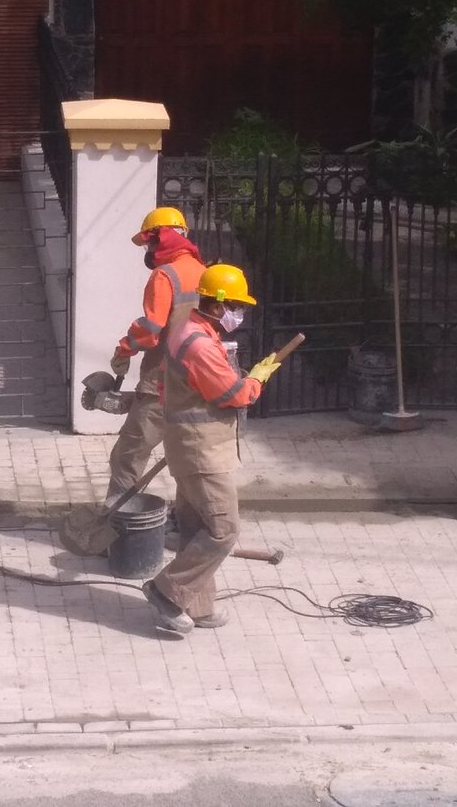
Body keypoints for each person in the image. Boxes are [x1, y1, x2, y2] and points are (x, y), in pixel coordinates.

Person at [141, 264, 283, 635]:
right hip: (203, 453)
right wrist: (256, 378)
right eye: (236, 306)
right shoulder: (201, 345)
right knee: (223, 529)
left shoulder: (185, 327)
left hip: (186, 445)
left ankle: (198, 605)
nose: (240, 314)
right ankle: (166, 591)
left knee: (195, 527)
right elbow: (233, 396)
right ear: (218, 305)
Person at [60, 206, 206, 556]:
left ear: (161, 238)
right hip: (197, 385)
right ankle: (192, 532)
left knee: (128, 457)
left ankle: (115, 530)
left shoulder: (164, 277)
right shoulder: (205, 272)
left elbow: (152, 329)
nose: (147, 252)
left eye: (147, 244)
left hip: (161, 383)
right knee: (187, 462)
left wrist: (124, 348)